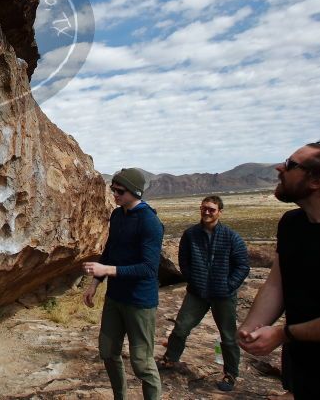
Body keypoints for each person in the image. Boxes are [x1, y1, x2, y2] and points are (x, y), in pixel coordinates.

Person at [238, 141, 320, 400]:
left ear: (315, 180)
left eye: (290, 165)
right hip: (302, 363)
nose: (279, 167)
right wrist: (252, 327)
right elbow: (277, 283)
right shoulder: (291, 224)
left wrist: (281, 333)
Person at [83, 167, 164, 400]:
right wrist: (95, 283)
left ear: (135, 192)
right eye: (113, 189)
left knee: (141, 363)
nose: (115, 194)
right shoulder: (118, 215)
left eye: (120, 190)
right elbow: (110, 251)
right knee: (107, 351)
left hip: (140, 302)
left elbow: (148, 268)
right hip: (115, 298)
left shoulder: (149, 222)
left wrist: (106, 270)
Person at [158, 195, 250, 392]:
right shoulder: (191, 234)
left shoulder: (231, 236)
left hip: (223, 295)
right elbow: (184, 260)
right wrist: (193, 279)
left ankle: (231, 374)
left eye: (212, 209)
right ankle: (170, 359)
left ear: (220, 212)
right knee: (181, 327)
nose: (207, 212)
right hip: (197, 293)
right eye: (204, 208)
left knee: (228, 336)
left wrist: (229, 285)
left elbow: (242, 265)